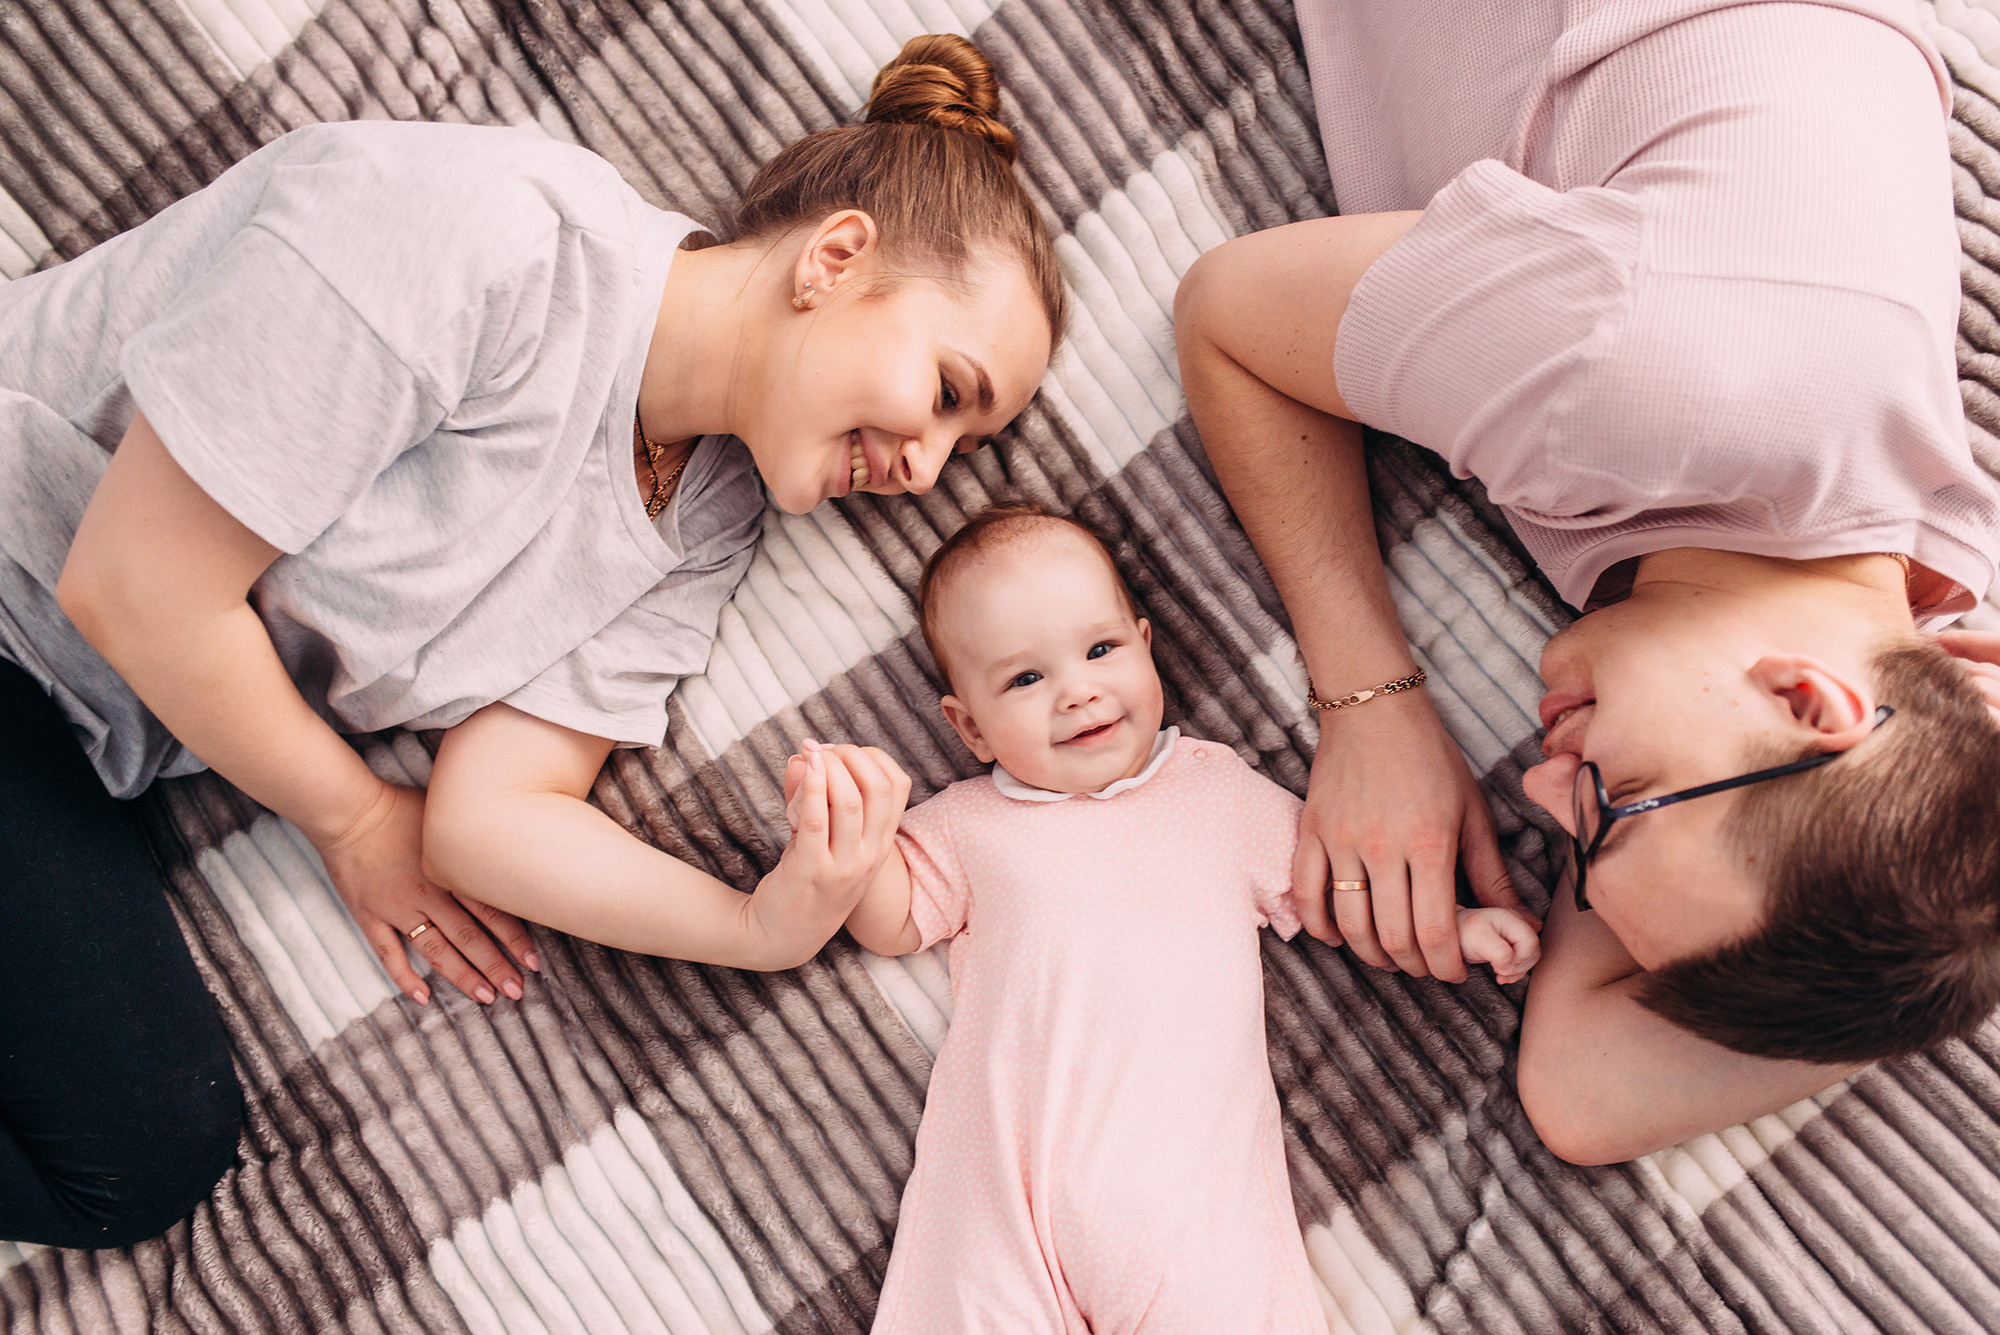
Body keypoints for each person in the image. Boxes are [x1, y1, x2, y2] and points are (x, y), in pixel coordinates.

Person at [0, 34, 1061, 1248]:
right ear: (834, 257)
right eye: (943, 392)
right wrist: (347, 815)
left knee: (139, 1155)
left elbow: (491, 820)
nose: (923, 468)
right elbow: (132, 589)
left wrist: (759, 926)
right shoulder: (484, 241)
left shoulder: (708, 519)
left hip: (70, 737)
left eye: (963, 452)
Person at [1172, 0, 2000, 1165]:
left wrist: (1934, 933)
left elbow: (1580, 1094)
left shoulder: (1883, 593)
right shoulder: (1628, 388)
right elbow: (1228, 312)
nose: (1539, 792)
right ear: (1807, 704)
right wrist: (1370, 704)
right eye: (1607, 807)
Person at [810, 505, 1540, 1330]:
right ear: (969, 725)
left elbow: (1334, 885)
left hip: (1184, 1192)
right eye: (1026, 679)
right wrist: (851, 838)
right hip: (996, 1190)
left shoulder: (1215, 789)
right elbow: (894, 920)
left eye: (1099, 650)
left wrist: (1459, 925)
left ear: (1147, 645)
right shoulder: (967, 824)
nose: (1078, 690)